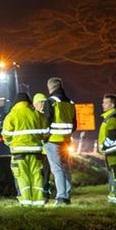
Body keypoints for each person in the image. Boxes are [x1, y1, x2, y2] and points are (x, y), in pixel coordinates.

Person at [1, 92, 48, 206]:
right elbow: (45, 133)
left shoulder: (11, 115)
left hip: (19, 154)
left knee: (22, 178)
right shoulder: (37, 115)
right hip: (36, 153)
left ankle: (26, 203)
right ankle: (39, 203)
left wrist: (11, 143)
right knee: (37, 177)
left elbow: (5, 135)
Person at [41, 77, 77, 205]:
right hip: (66, 140)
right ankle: (66, 196)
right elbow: (75, 124)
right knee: (66, 168)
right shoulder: (70, 102)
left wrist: (44, 138)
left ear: (50, 87)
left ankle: (61, 197)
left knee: (57, 169)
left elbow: (47, 121)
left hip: (53, 140)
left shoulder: (50, 101)